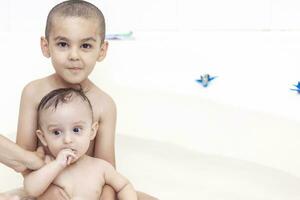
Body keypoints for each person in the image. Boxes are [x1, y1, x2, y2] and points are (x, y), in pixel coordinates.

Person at [12, 0, 157, 199]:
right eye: (63, 44)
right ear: (46, 47)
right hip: (45, 186)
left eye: (86, 46)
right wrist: (51, 190)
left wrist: (104, 197)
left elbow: (107, 170)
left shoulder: (104, 104)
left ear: (102, 50)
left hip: (90, 190)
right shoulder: (34, 93)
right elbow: (23, 160)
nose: (74, 55)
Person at [23, 88, 137, 200]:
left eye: (76, 130)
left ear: (92, 131)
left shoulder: (101, 168)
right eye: (57, 132)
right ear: (43, 138)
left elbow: (124, 186)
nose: (68, 139)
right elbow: (30, 189)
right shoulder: (47, 165)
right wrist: (57, 165)